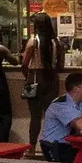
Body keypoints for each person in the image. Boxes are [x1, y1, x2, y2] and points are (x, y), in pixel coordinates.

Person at [22, 12, 62, 153]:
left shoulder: (33, 41)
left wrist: (27, 76)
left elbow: (24, 63)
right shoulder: (56, 41)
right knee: (51, 115)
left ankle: (32, 148)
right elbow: (60, 65)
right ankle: (51, 147)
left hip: (34, 78)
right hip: (52, 78)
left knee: (35, 116)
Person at [39, 73, 82, 162]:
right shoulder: (61, 104)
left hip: (69, 145)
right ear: (76, 89)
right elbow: (80, 125)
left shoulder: (80, 103)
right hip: (55, 147)